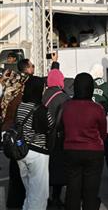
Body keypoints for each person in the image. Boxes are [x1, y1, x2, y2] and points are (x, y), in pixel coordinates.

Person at [62, 73, 107, 210]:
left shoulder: (66, 106)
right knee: (91, 191)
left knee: (72, 188)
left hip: (70, 149)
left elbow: (61, 127)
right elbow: (103, 132)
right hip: (93, 150)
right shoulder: (97, 108)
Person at [15, 75, 54, 210]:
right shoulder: (41, 109)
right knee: (39, 194)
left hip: (21, 151)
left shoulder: (20, 106)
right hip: (38, 153)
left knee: (29, 190)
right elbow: (51, 125)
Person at [1, 67, 29, 208]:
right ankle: (19, 200)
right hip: (16, 134)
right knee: (20, 170)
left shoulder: (6, 94)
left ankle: (13, 201)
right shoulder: (18, 96)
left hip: (7, 134)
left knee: (14, 170)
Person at [42, 69, 70, 207]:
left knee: (45, 169)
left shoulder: (43, 95)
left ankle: (45, 197)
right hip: (59, 137)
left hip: (44, 136)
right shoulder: (63, 97)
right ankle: (56, 197)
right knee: (58, 168)